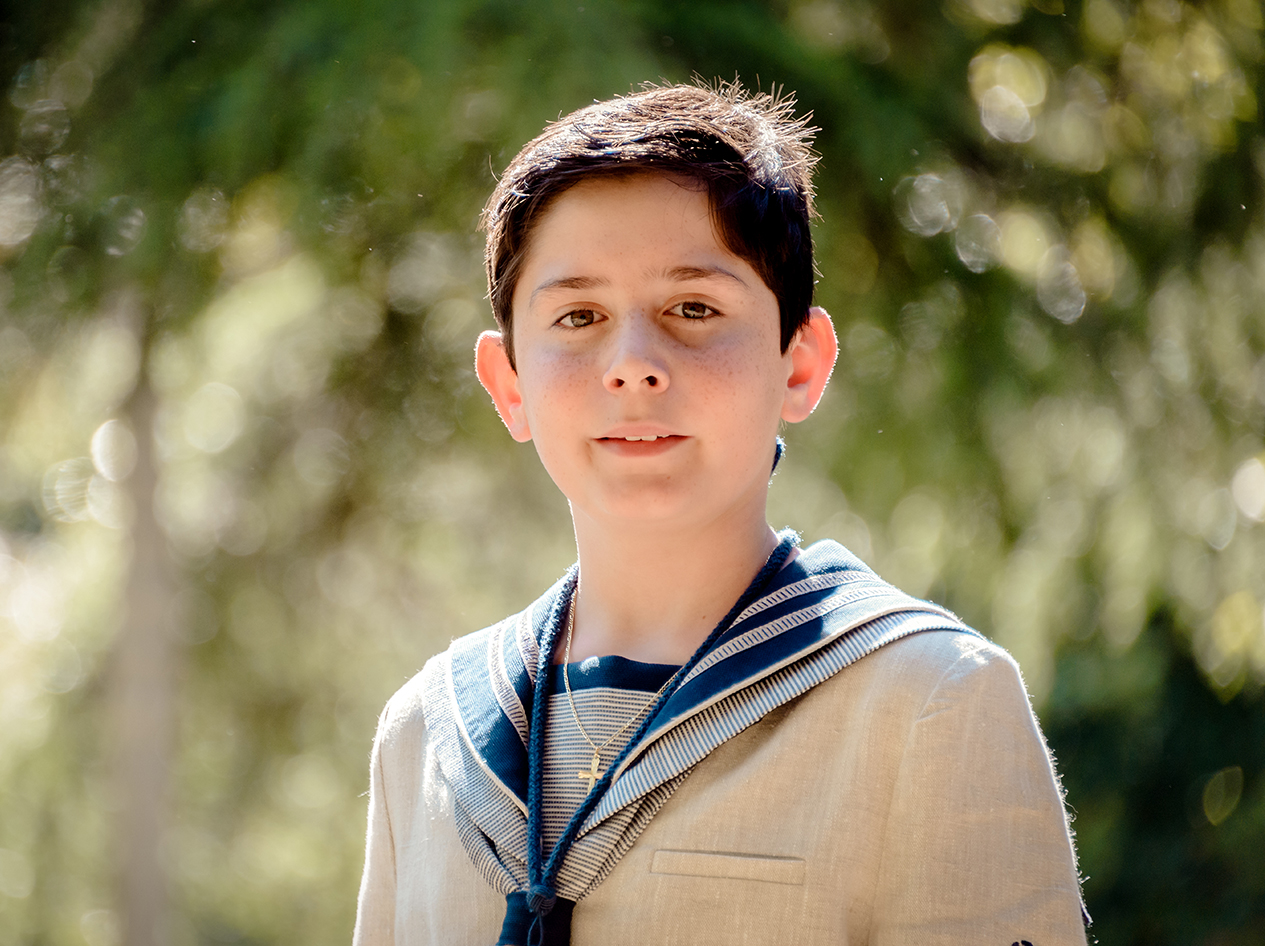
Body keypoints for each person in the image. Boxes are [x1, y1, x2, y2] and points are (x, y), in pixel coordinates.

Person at [352, 82, 1088, 946]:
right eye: (578, 316)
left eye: (693, 309)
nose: (632, 364)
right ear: (508, 385)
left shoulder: (929, 702)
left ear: (799, 364)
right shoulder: (425, 736)